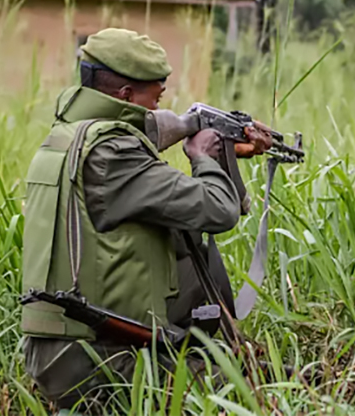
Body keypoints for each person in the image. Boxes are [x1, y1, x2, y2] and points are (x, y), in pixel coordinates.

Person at [20, 28, 271, 411]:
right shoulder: (113, 156)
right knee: (247, 385)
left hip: (62, 348)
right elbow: (219, 211)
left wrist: (211, 139)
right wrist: (204, 157)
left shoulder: (66, 139)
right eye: (155, 100)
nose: (156, 110)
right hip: (95, 357)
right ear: (124, 96)